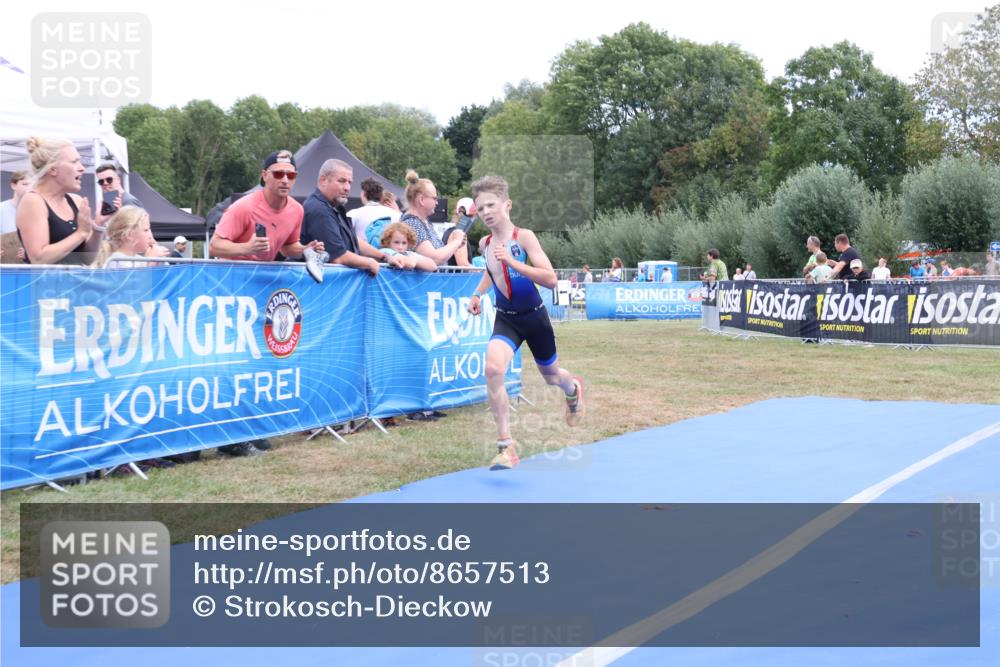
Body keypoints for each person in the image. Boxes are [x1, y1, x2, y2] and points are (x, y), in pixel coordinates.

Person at [210, 150, 324, 457]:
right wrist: (247, 246)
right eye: (278, 174)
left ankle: (249, 428)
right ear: (264, 176)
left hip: (262, 293)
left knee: (257, 362)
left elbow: (287, 246)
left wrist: (307, 248)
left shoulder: (297, 210)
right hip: (231, 290)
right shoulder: (244, 207)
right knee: (234, 363)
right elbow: (215, 245)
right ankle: (230, 438)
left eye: (291, 175)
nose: (285, 180)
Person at [466, 175, 585, 471]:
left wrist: (513, 262)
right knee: (493, 369)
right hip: (506, 319)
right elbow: (491, 271)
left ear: (507, 205)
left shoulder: (524, 237)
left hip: (535, 318)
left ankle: (573, 391)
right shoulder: (484, 243)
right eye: (481, 209)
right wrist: (477, 294)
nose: (486, 212)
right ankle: (506, 447)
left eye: (491, 205)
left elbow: (550, 278)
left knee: (552, 376)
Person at [301, 159, 404, 276]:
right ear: (323, 180)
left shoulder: (334, 207)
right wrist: (369, 262)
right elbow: (338, 257)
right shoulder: (319, 209)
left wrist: (384, 256)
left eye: (349, 182)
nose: (347, 187)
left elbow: (353, 240)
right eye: (342, 181)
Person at [17, 137, 106, 265]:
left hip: (77, 283)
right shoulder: (33, 201)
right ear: (53, 169)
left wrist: (98, 226)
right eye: (74, 162)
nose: (82, 168)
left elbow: (87, 259)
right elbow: (39, 258)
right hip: (48, 285)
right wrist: (80, 233)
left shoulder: (76, 201)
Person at [400, 170, 469, 266]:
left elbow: (438, 254)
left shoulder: (423, 221)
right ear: (422, 200)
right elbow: (434, 259)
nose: (437, 202)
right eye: (434, 198)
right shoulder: (412, 223)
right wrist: (456, 241)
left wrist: (454, 245)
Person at [94, 206, 171, 268]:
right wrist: (149, 263)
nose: (151, 236)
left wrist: (159, 259)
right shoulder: (115, 262)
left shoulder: (139, 259)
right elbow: (133, 286)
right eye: (146, 230)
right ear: (129, 235)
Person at [347, 177, 401, 251]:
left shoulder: (353, 214)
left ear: (364, 194)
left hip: (363, 259)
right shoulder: (396, 215)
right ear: (381, 195)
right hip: (391, 259)